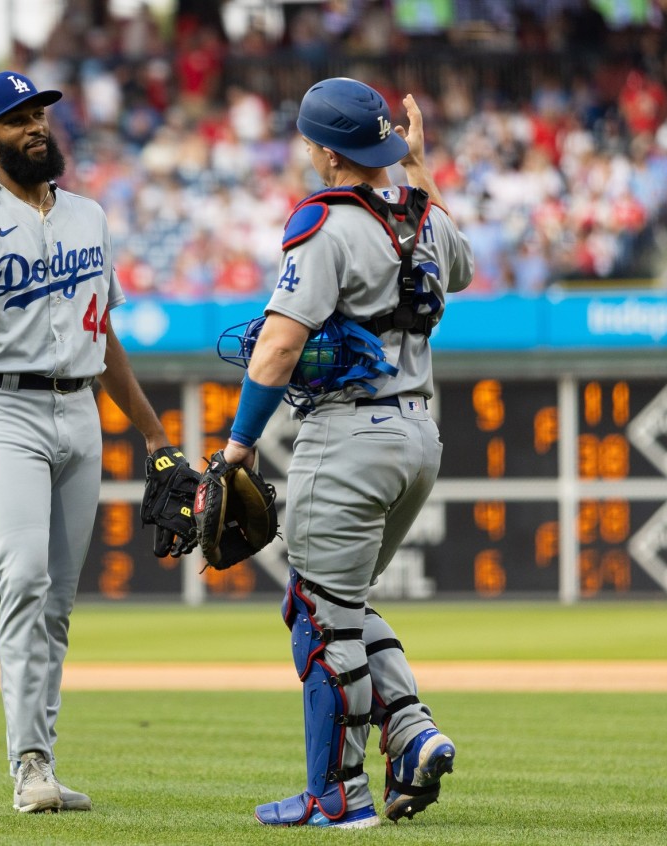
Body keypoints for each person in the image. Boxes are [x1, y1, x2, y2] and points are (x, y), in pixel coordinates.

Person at [0, 70, 181, 814]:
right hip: (0, 410)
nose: (36, 127)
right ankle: (26, 764)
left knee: (57, 599)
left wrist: (154, 433)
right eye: (18, 118)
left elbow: (104, 332)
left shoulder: (88, 216)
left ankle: (44, 757)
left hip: (79, 407)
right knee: (22, 576)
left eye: (40, 114)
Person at [218, 79, 474, 828]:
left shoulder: (321, 223)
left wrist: (237, 446)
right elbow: (459, 267)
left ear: (326, 151)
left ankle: (338, 793)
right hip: (420, 437)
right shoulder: (424, 213)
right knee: (342, 599)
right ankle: (412, 732)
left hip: (350, 435)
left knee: (317, 614)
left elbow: (279, 345)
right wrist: (418, 166)